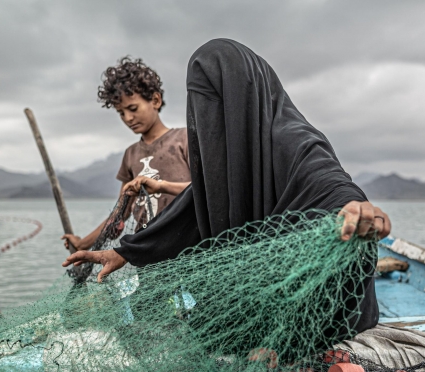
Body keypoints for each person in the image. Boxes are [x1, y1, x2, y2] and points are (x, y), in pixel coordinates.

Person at [64, 39, 391, 335]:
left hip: (305, 305)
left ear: (243, 97)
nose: (208, 120)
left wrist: (355, 206)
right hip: (252, 296)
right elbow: (195, 203)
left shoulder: (293, 139)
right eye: (200, 109)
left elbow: (330, 183)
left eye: (217, 106)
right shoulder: (222, 155)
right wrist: (126, 251)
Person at [61, 57, 191, 251]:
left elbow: (206, 190)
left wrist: (161, 186)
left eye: (133, 108)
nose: (128, 118)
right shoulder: (131, 155)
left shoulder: (184, 139)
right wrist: (83, 243)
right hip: (147, 251)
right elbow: (121, 214)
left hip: (188, 247)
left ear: (155, 100)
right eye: (121, 113)